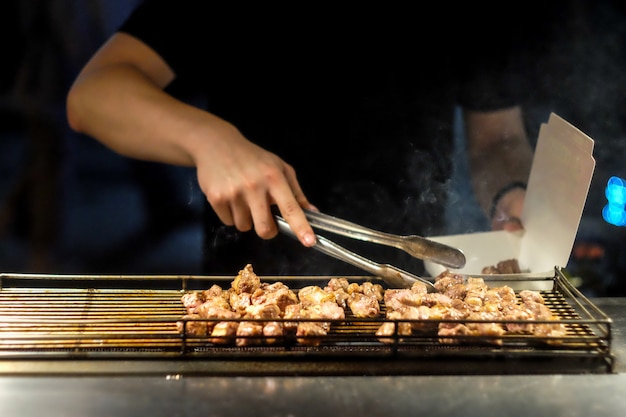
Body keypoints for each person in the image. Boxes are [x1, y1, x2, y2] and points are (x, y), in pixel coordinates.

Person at [66, 1, 534, 277]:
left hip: (406, 296)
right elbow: (94, 94)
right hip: (250, 290)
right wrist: (211, 140)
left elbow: (497, 138)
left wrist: (510, 194)